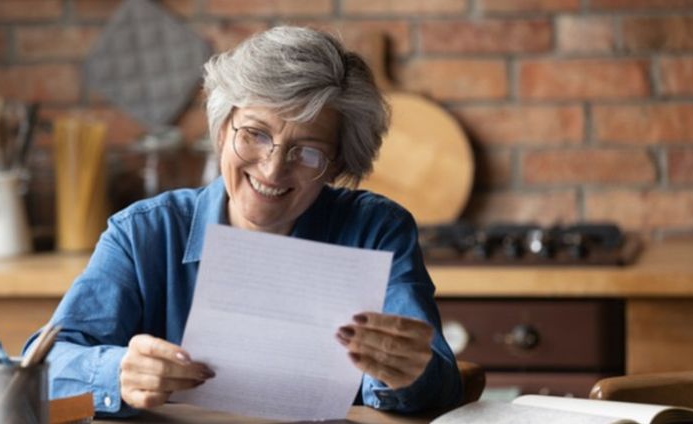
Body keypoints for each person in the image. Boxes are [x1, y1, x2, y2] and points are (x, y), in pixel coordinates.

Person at [26, 26, 462, 417]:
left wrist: (404, 372)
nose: (273, 170)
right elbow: (41, 367)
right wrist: (116, 372)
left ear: (337, 165)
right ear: (221, 130)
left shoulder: (376, 231)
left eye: (307, 151)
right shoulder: (144, 232)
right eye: (255, 134)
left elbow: (438, 380)